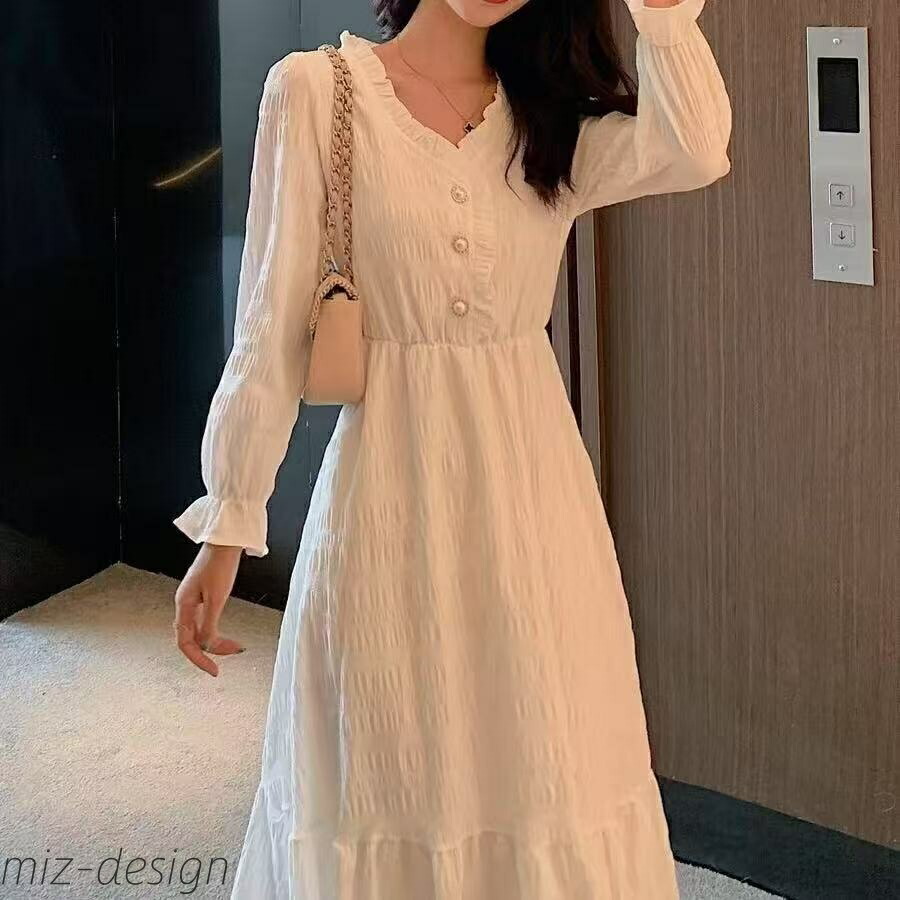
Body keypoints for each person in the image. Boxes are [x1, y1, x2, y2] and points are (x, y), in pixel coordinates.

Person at [172, 0, 732, 895]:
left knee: (547, 756)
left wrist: (663, 16)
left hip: (535, 504)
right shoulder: (316, 92)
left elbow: (696, 149)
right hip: (387, 496)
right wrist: (228, 520)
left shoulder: (549, 120)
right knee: (383, 758)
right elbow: (267, 332)